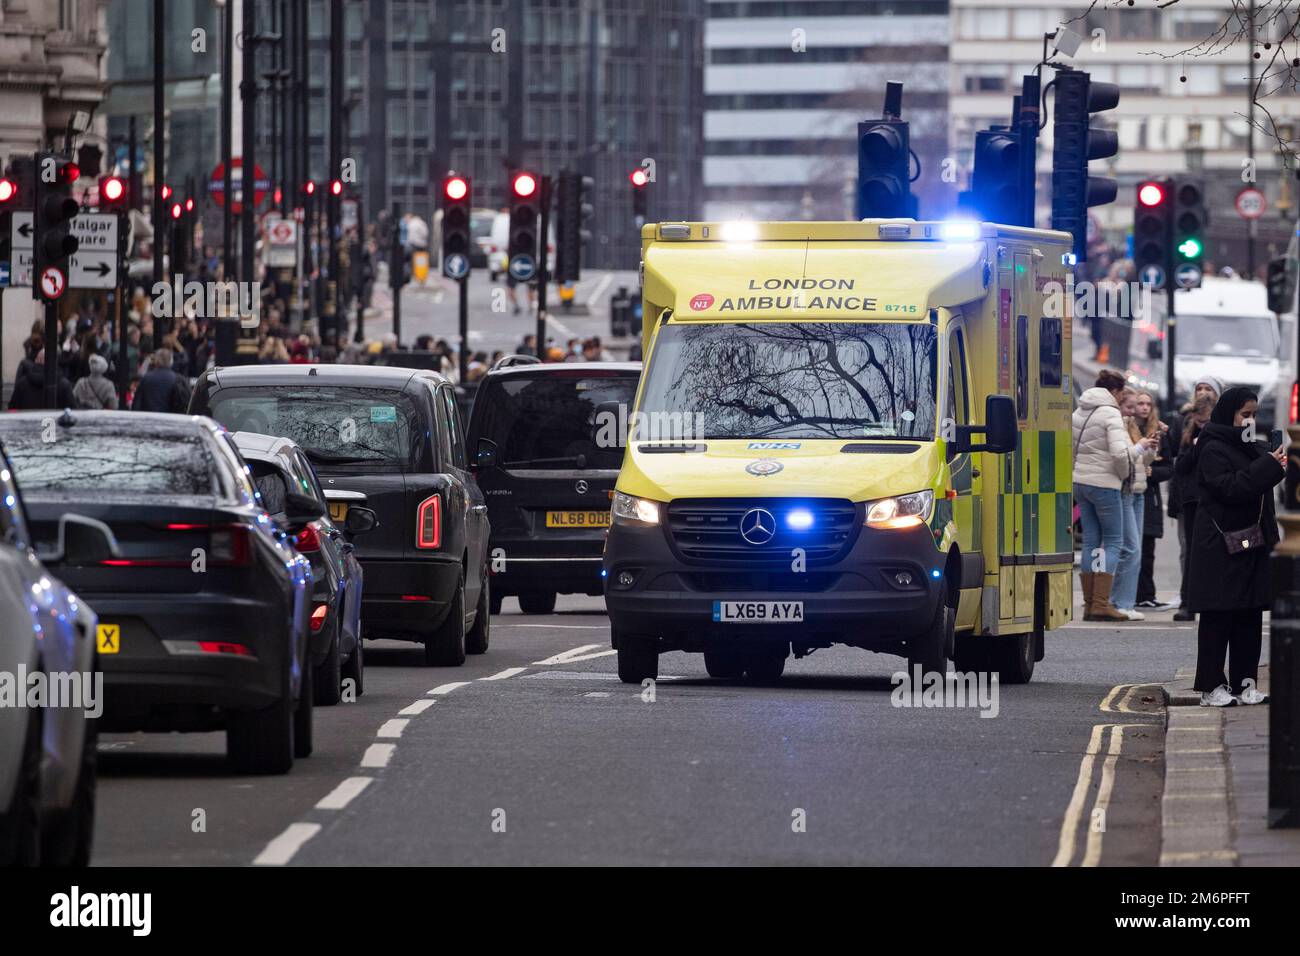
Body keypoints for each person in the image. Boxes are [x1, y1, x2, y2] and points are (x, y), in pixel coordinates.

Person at [1186, 387, 1285, 706]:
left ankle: (1245, 684)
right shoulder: (1213, 447)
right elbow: (1229, 488)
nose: (1250, 421)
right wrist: (1269, 467)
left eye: (1254, 415)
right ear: (1229, 413)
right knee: (1218, 617)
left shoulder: (1252, 448)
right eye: (1245, 414)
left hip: (1251, 544)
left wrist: (1273, 465)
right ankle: (1211, 687)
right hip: (1220, 546)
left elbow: (1260, 493)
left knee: (1249, 615)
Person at [1072, 369, 1141, 622]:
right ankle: (1101, 603)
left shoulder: (1080, 411)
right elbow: (1120, 453)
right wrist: (1123, 475)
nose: (1122, 398)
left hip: (1081, 481)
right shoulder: (1110, 413)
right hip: (1105, 484)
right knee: (1113, 541)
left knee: (1091, 540)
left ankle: (1090, 603)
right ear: (1114, 391)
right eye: (1121, 393)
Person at [1170, 377, 1224, 621]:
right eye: (1199, 389)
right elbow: (1179, 465)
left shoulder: (1223, 427)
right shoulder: (1185, 425)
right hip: (1191, 497)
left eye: (1208, 389)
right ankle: (1188, 602)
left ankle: (1214, 599)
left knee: (1217, 549)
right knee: (1189, 551)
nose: (1203, 393)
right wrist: (1194, 446)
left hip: (1216, 496)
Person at [1112, 389, 1160, 619]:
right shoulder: (1116, 425)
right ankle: (1122, 602)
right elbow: (1123, 457)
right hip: (1126, 491)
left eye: (1141, 405)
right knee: (1130, 549)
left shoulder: (1131, 426)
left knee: (1133, 549)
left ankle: (1120, 601)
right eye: (1130, 406)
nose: (1135, 411)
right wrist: (1141, 447)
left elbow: (1141, 461)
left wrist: (1151, 449)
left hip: (1138, 491)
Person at [1134, 390, 1174, 609]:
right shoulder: (1124, 427)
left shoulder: (1159, 432)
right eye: (1140, 403)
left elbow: (1169, 467)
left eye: (1148, 404)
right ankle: (1129, 593)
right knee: (1130, 548)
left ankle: (1146, 594)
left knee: (1147, 550)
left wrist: (1153, 473)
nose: (1144, 407)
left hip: (1150, 496)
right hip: (1130, 491)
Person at [8, 349, 74, 410]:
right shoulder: (64, 385)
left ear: (36, 360)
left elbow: (12, 409)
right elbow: (71, 411)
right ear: (55, 361)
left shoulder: (22, 383)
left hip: (27, 422)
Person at [131, 348, 191, 413]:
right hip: (171, 420)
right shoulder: (179, 380)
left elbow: (136, 405)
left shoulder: (146, 379)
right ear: (171, 362)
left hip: (149, 420)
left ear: (156, 361)